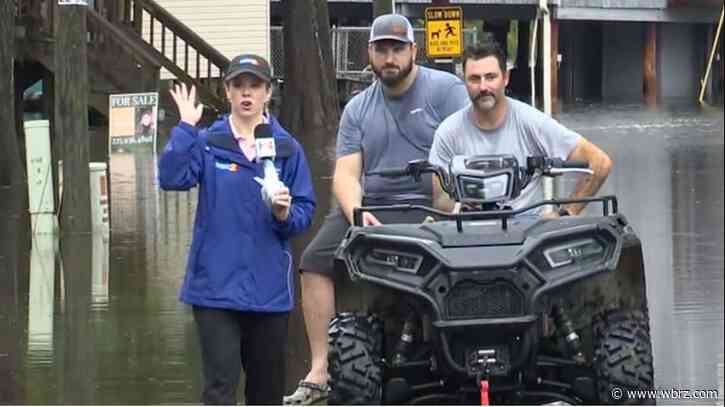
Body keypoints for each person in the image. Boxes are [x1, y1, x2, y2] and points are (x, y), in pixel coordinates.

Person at [284, 14, 470, 405]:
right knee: (314, 260)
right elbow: (346, 174)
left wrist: (454, 205)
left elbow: (471, 150)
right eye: (381, 49)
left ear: (413, 51)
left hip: (431, 205)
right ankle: (320, 369)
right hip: (374, 206)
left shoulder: (447, 91)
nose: (390, 57)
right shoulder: (357, 108)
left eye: (397, 48)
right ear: (369, 53)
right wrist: (354, 212)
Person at [158, 54, 316, 405]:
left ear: (268, 92)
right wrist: (184, 128)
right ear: (227, 91)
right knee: (219, 388)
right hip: (215, 289)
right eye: (239, 86)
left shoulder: (287, 148)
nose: (247, 94)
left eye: (255, 86)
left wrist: (282, 214)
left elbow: (305, 211)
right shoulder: (208, 142)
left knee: (266, 392)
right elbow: (170, 179)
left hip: (268, 292)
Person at [428, 40, 613, 215]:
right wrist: (462, 206)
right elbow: (439, 199)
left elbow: (599, 162)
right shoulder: (448, 132)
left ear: (506, 78)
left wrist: (565, 213)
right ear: (464, 81)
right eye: (474, 79)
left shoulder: (532, 123)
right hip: (468, 232)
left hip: (527, 233)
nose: (483, 86)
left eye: (490, 77)